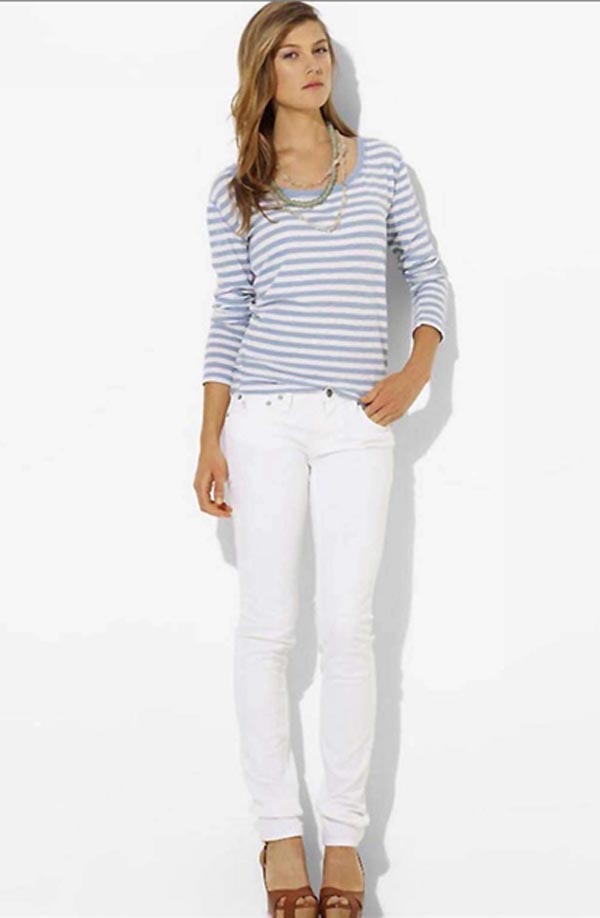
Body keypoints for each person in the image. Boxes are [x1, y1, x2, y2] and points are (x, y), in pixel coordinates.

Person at [193, 3, 449, 916]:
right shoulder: (236, 190)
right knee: (268, 631)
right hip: (261, 420)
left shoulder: (380, 168)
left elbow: (428, 274)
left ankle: (343, 837)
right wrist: (208, 437)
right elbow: (231, 312)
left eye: (320, 52)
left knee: (349, 630)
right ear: (262, 73)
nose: (312, 67)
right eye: (291, 55)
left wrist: (416, 367)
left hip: (355, 423)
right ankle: (277, 833)